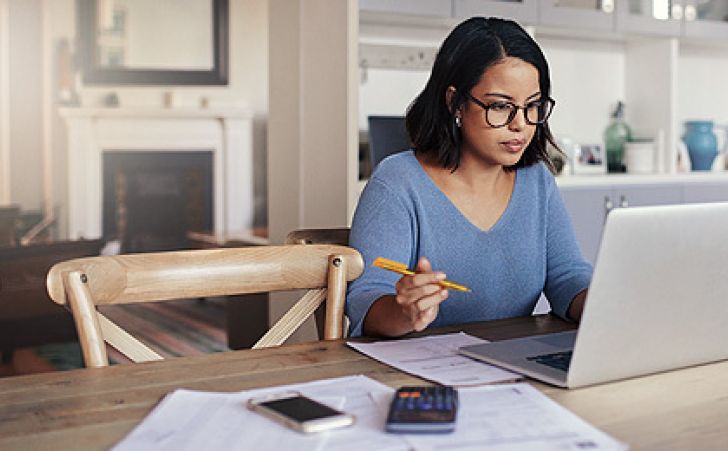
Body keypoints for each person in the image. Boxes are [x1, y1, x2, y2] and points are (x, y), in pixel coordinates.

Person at [346, 17, 592, 338]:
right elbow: (366, 299)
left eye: (533, 106)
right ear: (455, 102)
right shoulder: (398, 182)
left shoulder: (537, 181)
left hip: (508, 367)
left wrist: (607, 303)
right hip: (417, 375)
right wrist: (403, 310)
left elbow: (567, 276)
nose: (520, 124)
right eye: (501, 106)